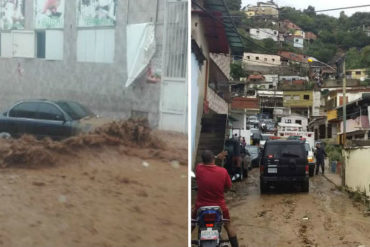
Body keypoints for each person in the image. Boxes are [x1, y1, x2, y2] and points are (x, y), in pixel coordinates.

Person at [192, 150, 239, 247]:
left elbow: (202, 164)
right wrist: (224, 190)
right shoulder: (223, 171)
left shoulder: (199, 169)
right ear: (213, 159)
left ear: (203, 160)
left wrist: (216, 157)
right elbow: (228, 187)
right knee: (228, 225)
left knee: (192, 224)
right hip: (219, 207)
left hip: (200, 207)